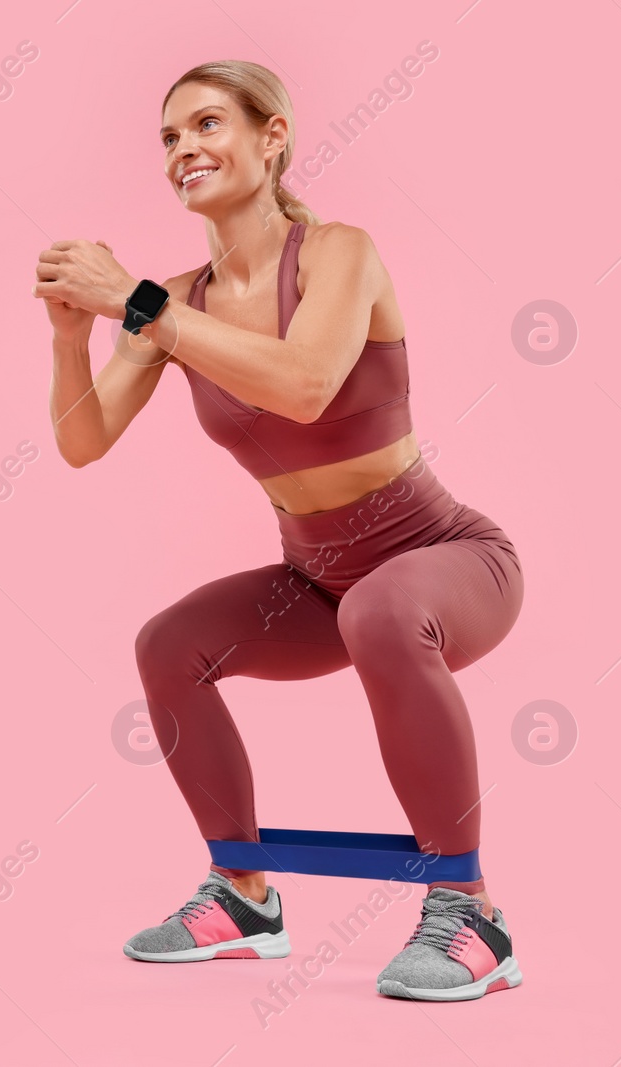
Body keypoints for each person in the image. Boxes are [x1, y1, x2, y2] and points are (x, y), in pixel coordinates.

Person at [31, 60, 525, 1001]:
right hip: (321, 582)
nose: (184, 150)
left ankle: (471, 912)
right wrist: (68, 335)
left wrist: (138, 305)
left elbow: (304, 385)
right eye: (170, 138)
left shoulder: (338, 252)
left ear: (273, 135)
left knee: (381, 611)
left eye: (208, 124)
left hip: (446, 557)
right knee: (169, 645)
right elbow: (82, 440)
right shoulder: (175, 299)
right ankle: (243, 893)